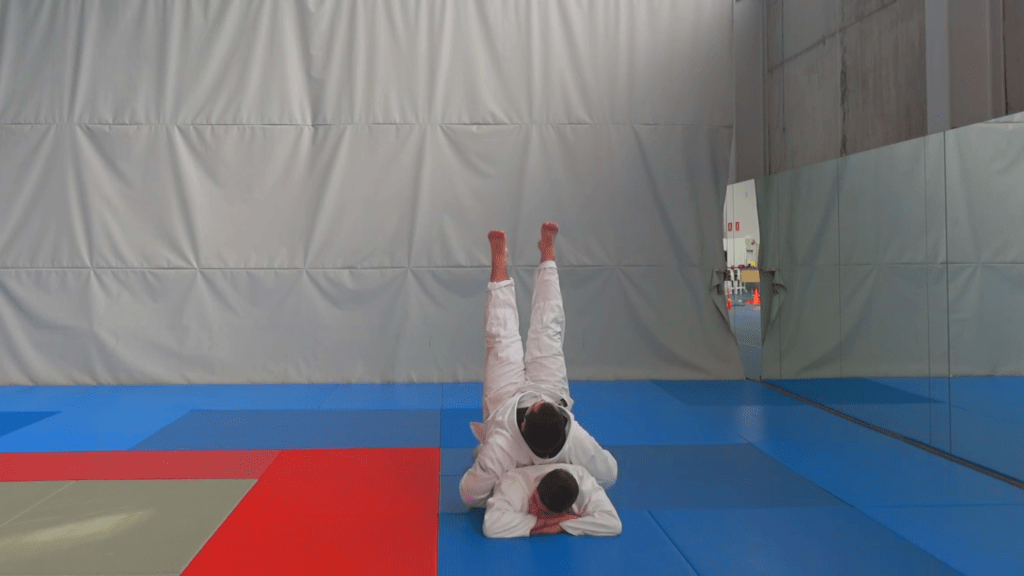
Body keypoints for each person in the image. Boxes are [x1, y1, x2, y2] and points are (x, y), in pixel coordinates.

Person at [460, 223, 617, 509]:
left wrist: (521, 481)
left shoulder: (502, 449)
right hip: (551, 388)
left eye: (536, 406)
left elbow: (469, 494)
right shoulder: (576, 438)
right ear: (562, 420)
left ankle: (499, 262)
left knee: (501, 336)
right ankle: (547, 254)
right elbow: (610, 473)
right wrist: (563, 473)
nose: (537, 401)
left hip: (504, 402)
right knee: (548, 328)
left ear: (523, 424)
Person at [483, 464, 622, 538]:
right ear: (536, 488)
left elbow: (613, 523)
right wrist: (545, 523)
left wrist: (561, 524)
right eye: (535, 501)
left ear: (564, 510)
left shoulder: (585, 485)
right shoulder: (514, 482)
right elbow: (491, 526)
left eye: (544, 513)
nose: (535, 510)